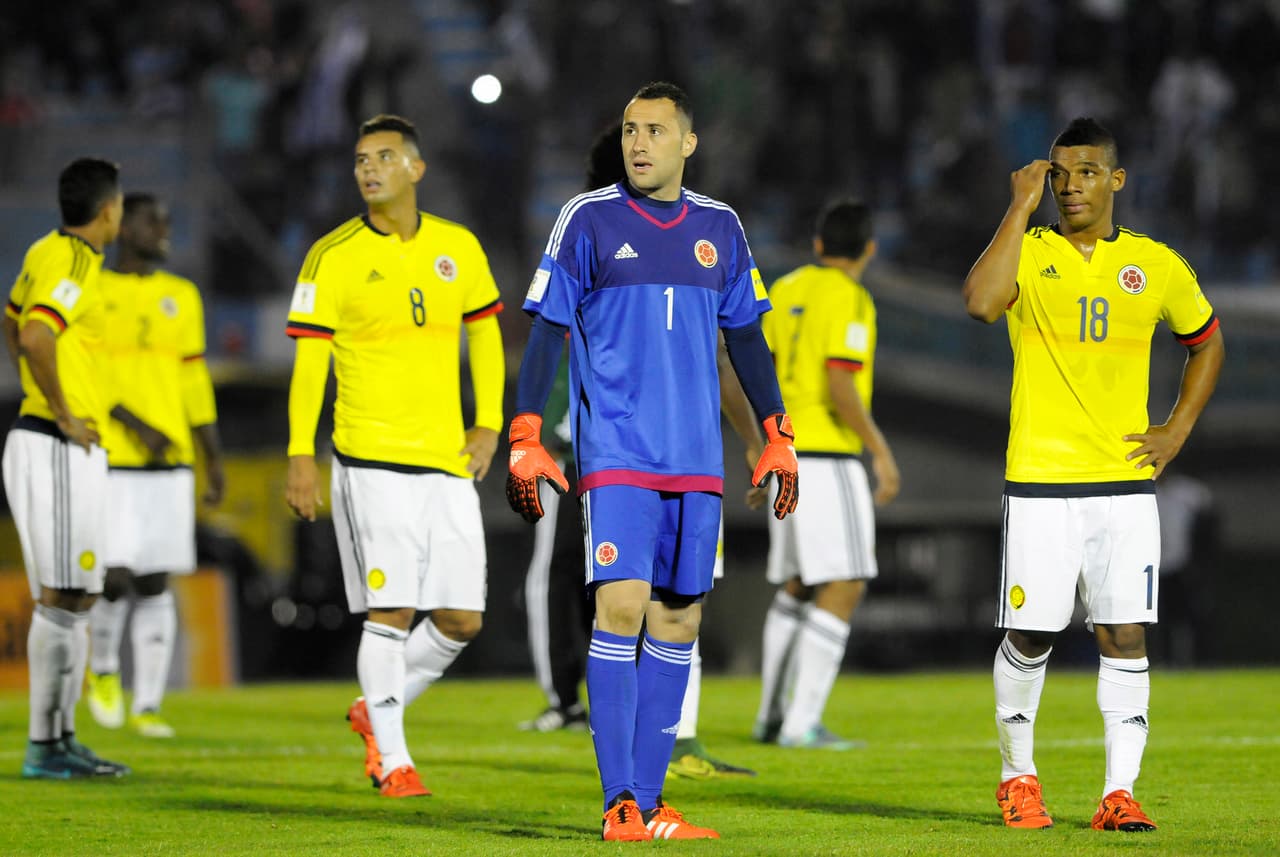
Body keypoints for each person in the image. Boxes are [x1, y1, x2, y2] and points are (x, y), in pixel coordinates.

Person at [507, 81, 798, 842]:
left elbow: (748, 340)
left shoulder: (721, 228)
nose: (639, 143)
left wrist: (776, 430)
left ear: (687, 143)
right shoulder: (588, 220)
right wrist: (526, 433)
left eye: (656, 131)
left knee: (678, 618)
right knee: (622, 608)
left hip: (697, 462)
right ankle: (619, 804)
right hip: (619, 455)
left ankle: (650, 798)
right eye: (631, 130)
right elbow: (545, 330)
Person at [962, 117, 1225, 832]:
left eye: (1085, 171)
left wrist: (1176, 429)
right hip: (1042, 482)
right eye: (1059, 172)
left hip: (1124, 485)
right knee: (1031, 635)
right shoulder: (1030, 247)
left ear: (1115, 179)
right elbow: (982, 303)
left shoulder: (1155, 265)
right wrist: (1016, 207)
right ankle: (1018, 778)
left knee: (1125, 633)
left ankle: (1120, 791)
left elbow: (1206, 340)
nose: (1070, 185)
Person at [284, 114, 505, 799]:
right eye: (359, 160)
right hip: (369, 460)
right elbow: (309, 367)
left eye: (382, 157)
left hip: (446, 461)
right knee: (393, 610)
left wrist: (489, 423)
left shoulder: (458, 248)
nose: (367, 168)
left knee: (463, 618)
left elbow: (487, 338)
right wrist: (300, 454)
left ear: (415, 167)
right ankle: (392, 757)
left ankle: (376, 707)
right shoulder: (331, 255)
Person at [753, 199, 900, 750]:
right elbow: (841, 382)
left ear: (817, 245)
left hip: (783, 454)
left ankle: (770, 717)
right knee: (846, 582)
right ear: (869, 249)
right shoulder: (852, 298)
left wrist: (757, 442)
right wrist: (880, 450)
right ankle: (800, 723)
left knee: (799, 585)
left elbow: (748, 366)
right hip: (827, 457)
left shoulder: (784, 288)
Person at [2, 157, 131, 778]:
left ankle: (62, 737)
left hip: (67, 446)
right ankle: (43, 746)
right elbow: (34, 334)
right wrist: (59, 409)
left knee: (80, 596)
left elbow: (12, 319)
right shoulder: (76, 260)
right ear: (109, 209)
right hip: (55, 443)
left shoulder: (47, 252)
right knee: (60, 597)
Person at [84, 193, 225, 739]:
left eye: (167, 220)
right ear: (122, 227)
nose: (163, 229)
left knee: (155, 580)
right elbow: (85, 376)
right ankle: (103, 670)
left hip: (171, 462)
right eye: (152, 221)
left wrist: (212, 457)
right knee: (114, 575)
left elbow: (194, 380)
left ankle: (146, 704)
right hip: (113, 456)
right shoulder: (93, 291)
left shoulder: (181, 296)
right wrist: (133, 422)